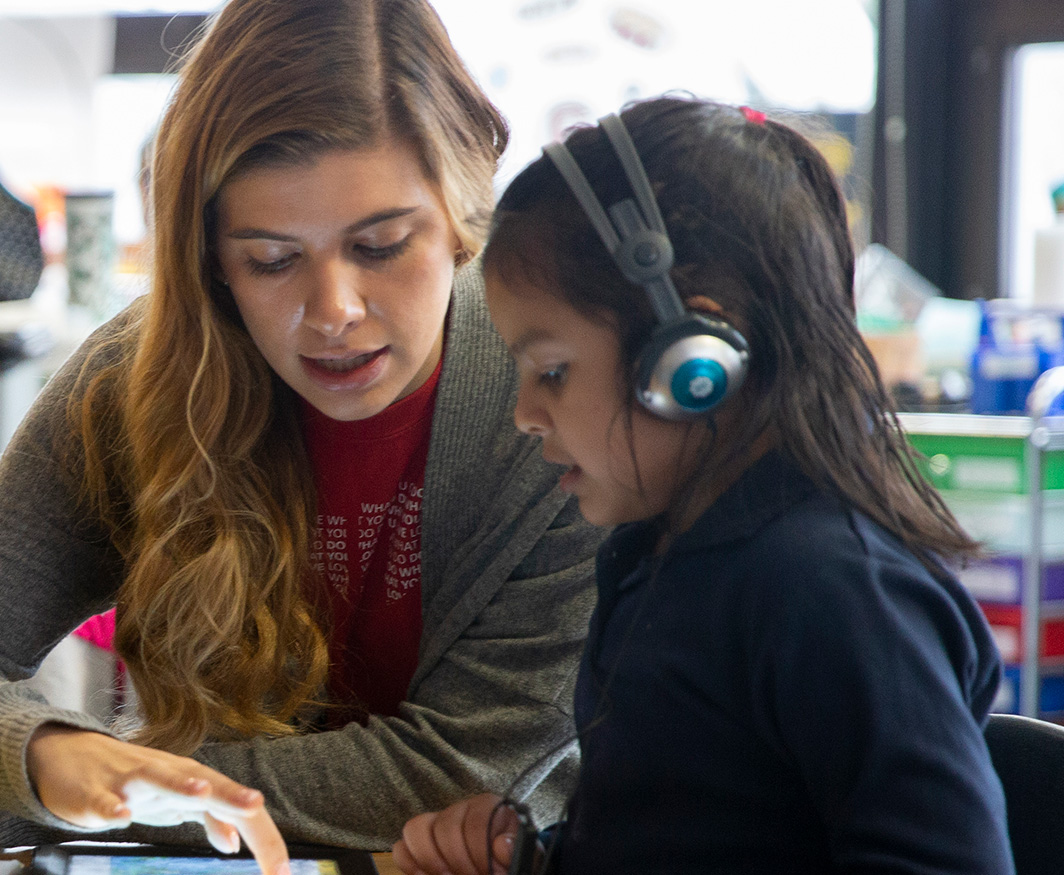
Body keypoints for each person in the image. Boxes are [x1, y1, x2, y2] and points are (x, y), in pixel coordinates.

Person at [0, 0, 604, 865]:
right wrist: (39, 759)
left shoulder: (551, 395)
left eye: (381, 246)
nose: (333, 311)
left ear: (462, 215)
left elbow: (454, 773)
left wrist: (45, 797)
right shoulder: (135, 378)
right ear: (210, 258)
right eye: (271, 259)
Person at [391, 97, 1011, 874]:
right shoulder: (659, 557)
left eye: (551, 370)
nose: (525, 414)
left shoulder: (834, 592)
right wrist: (533, 860)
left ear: (690, 360)